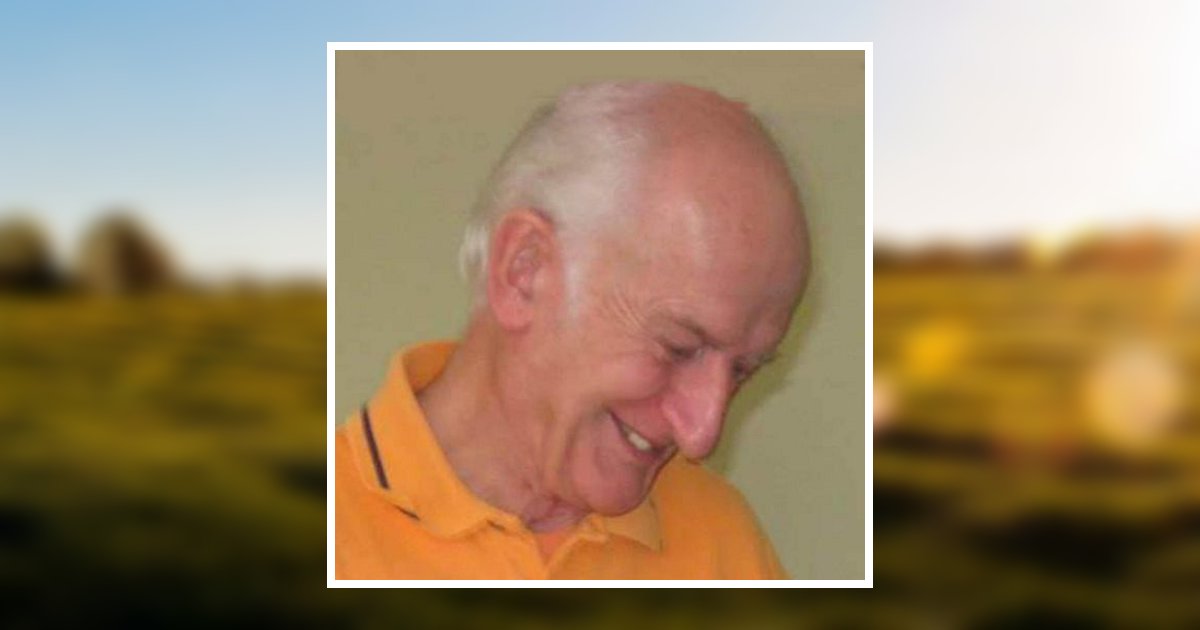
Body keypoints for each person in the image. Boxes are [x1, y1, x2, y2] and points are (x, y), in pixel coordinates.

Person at [335, 81, 810, 579]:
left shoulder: (724, 539)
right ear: (525, 271)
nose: (701, 434)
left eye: (741, 371)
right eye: (678, 347)